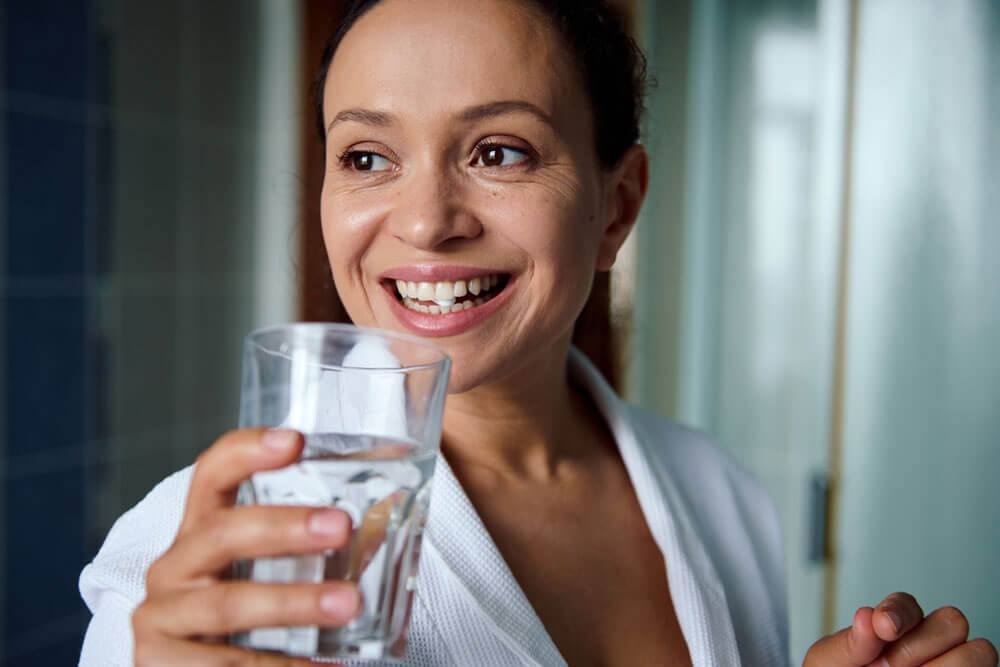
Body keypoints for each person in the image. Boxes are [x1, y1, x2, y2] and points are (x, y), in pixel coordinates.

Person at [79, 0, 999, 665]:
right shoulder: (200, 566)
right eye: (367, 157)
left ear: (615, 208)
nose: (428, 220)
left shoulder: (721, 495)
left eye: (498, 151)